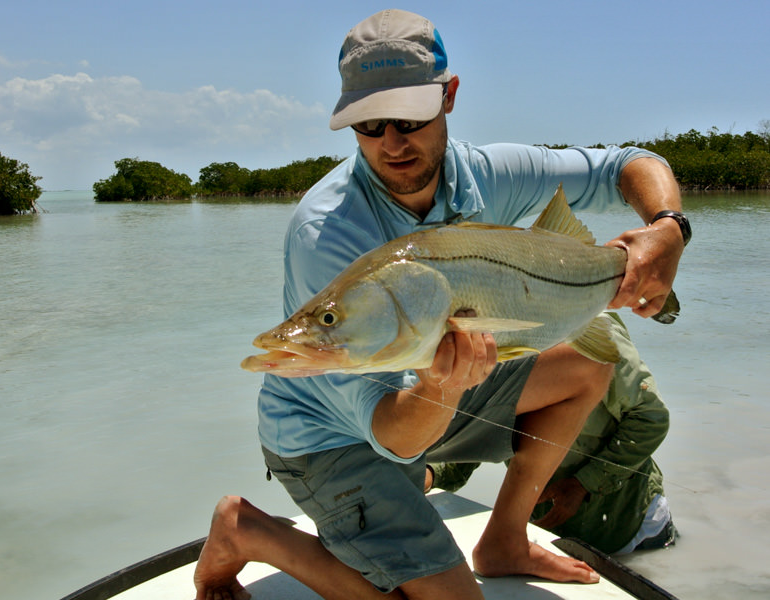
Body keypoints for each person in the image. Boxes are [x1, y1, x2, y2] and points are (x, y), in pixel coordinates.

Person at [195, 9, 688, 600]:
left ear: (448, 96)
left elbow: (627, 163)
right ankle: (245, 530)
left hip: (426, 383)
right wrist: (444, 387)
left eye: (409, 116)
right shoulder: (325, 234)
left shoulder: (488, 173)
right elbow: (394, 435)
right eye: (368, 125)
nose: (392, 142)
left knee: (593, 361)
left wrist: (667, 230)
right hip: (330, 435)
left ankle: (504, 539)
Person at [426, 313, 678, 555]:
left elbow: (651, 418)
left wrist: (584, 484)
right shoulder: (493, 339)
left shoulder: (592, 332)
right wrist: (429, 473)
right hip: (549, 532)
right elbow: (480, 426)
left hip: (634, 530)